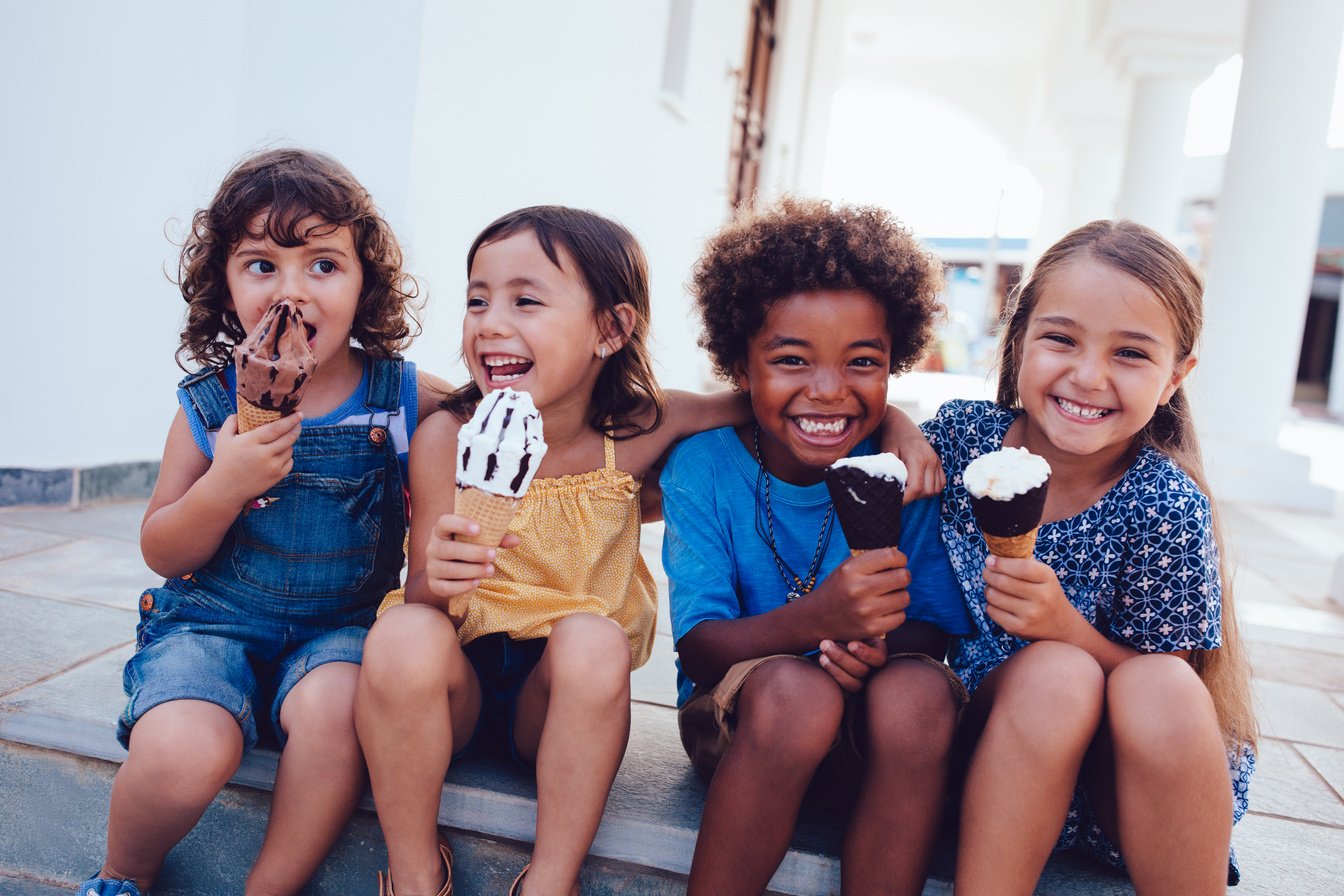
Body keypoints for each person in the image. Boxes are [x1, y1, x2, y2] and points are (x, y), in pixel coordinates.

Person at [354, 204, 941, 896]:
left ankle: (549, 881)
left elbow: (781, 396)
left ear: (611, 329)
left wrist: (899, 424)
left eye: (525, 300)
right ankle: (415, 871)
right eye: (477, 299)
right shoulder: (448, 439)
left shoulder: (641, 429)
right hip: (456, 692)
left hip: (561, 702)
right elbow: (424, 590)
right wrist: (436, 580)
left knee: (595, 641)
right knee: (402, 631)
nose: (490, 321)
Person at [80, 148, 448, 896]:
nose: (292, 290)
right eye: (260, 265)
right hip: (208, 626)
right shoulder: (208, 404)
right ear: (224, 285)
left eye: (322, 265)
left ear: (363, 281)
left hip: (338, 634)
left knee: (342, 706)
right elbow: (161, 546)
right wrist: (225, 484)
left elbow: (506, 415)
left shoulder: (399, 397)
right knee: (184, 749)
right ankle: (122, 875)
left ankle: (268, 888)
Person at [921, 220, 1257, 895]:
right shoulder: (960, 442)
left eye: (1130, 354)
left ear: (1175, 378)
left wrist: (1067, 630)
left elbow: (1175, 692)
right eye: (1061, 338)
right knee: (1054, 677)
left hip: (1118, 793)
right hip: (981, 755)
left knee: (1144, 681)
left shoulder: (1165, 504)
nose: (1088, 375)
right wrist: (899, 429)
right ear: (1018, 341)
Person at [662, 196, 974, 896]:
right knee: (797, 695)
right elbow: (701, 648)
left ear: (896, 364)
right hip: (748, 723)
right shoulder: (704, 467)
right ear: (741, 365)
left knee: (923, 693)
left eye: (862, 362)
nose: (829, 391)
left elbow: (930, 629)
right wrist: (818, 622)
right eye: (793, 359)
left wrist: (875, 652)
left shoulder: (907, 474)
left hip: (869, 732)